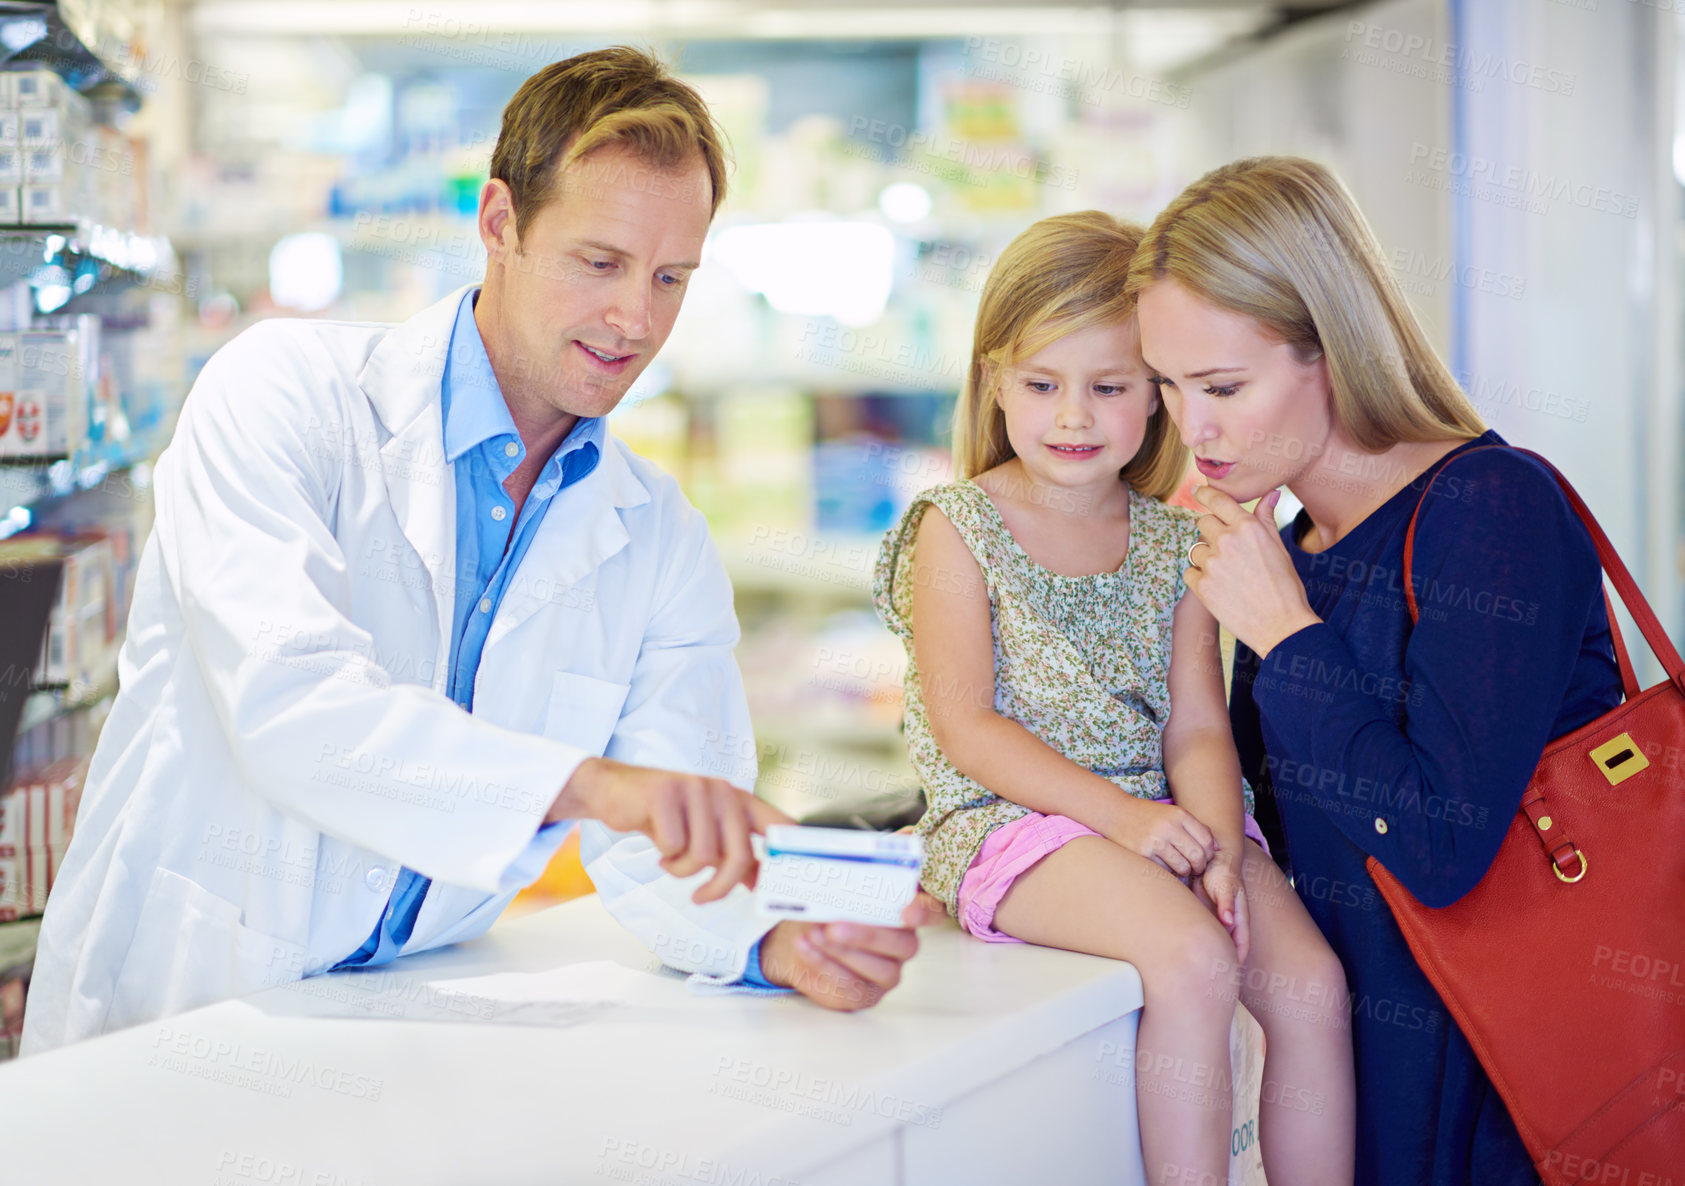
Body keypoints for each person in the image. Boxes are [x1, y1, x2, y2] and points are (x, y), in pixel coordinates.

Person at [22, 47, 937, 1055]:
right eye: (600, 263)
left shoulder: (658, 535)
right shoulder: (281, 395)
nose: (637, 320)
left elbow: (675, 837)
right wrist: (587, 784)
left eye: (670, 277)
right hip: (185, 1003)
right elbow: (293, 709)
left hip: (404, 1026)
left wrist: (775, 938)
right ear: (499, 222)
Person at [1127, 156, 1624, 1186]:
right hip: (1360, 1077)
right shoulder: (1293, 541)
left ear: (1331, 349)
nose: (1194, 430)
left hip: (1494, 1096)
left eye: (1222, 387)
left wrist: (1287, 633)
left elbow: (1438, 847)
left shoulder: (1489, 508)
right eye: (1167, 388)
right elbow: (1267, 822)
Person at [873, 211, 1355, 1186]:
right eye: (1042, 385)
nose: (1072, 418)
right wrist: (1129, 823)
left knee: (1309, 984)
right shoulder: (954, 528)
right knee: (1189, 958)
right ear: (993, 382)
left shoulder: (1176, 545)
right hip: (1012, 820)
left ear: (1158, 398)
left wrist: (1215, 845)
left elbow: (1195, 727)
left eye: (1109, 388)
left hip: (1164, 818)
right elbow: (966, 726)